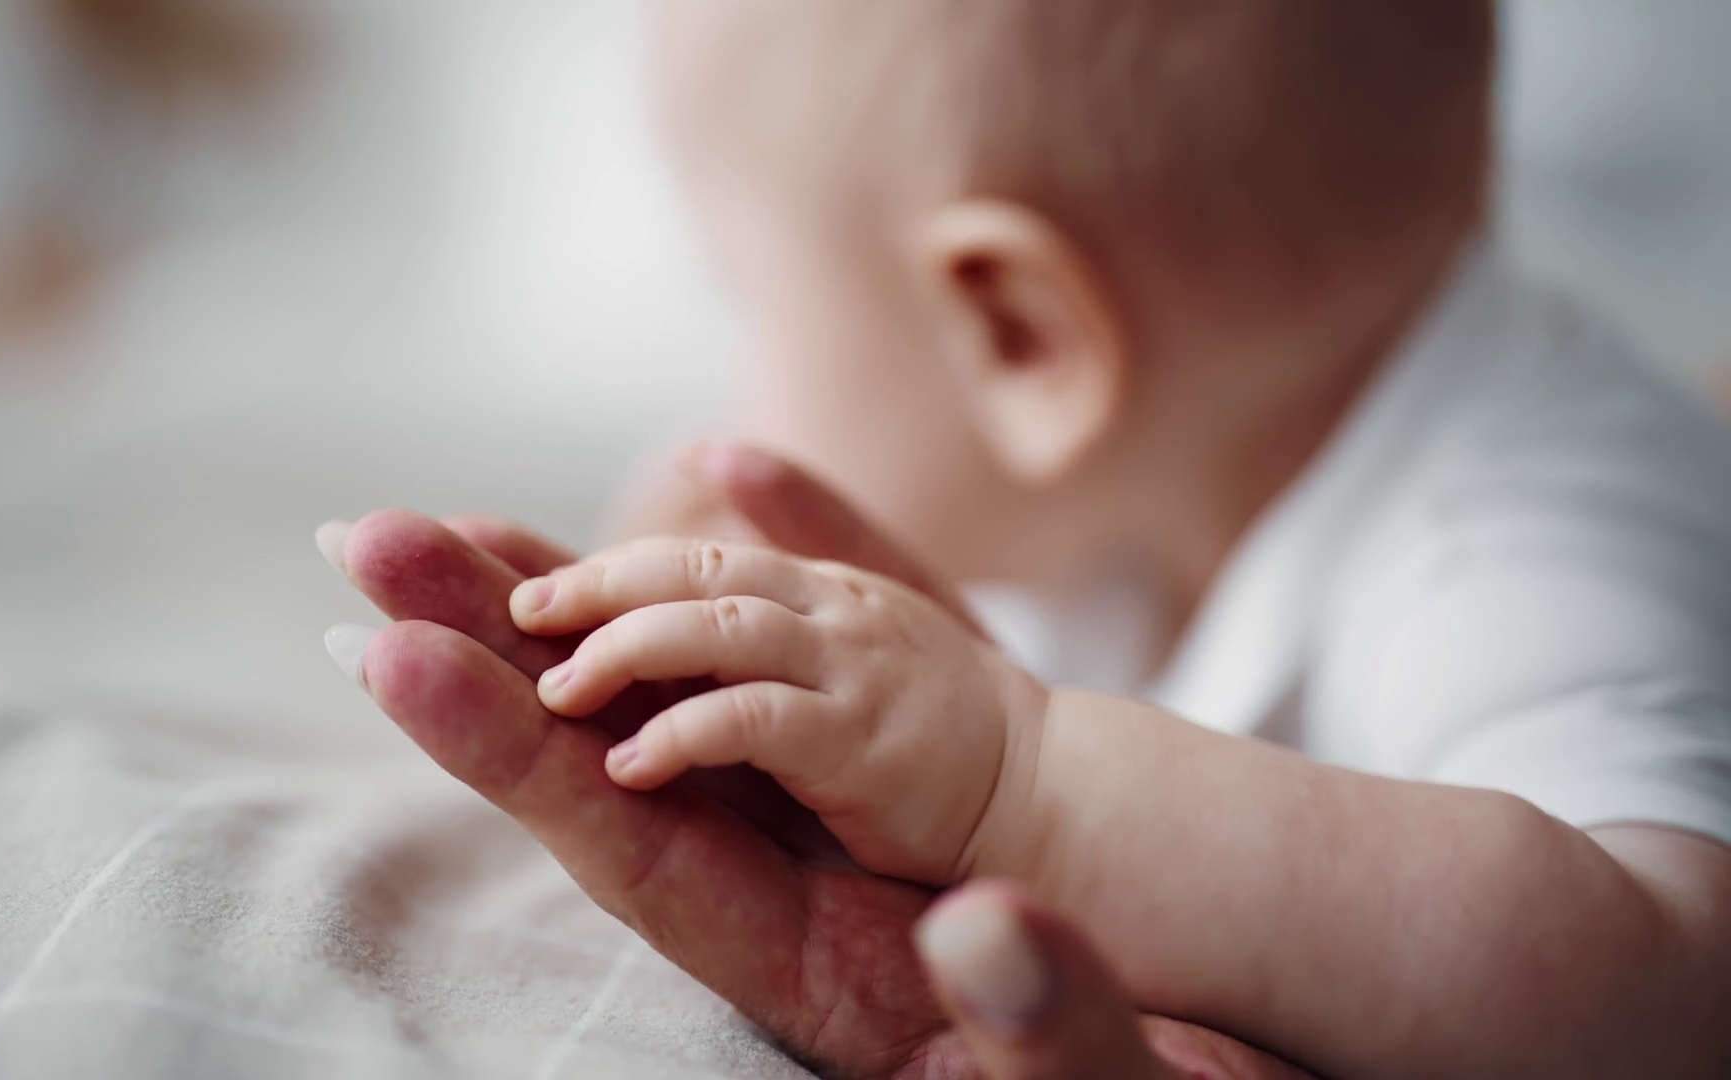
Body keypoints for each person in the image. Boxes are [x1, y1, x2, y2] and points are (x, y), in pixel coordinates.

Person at [320, 1, 1731, 1076]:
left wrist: (1031, 786)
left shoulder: (1512, 552)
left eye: (747, 301)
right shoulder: (1202, 444)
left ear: (1021, 334)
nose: (720, 407)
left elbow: (1673, 983)